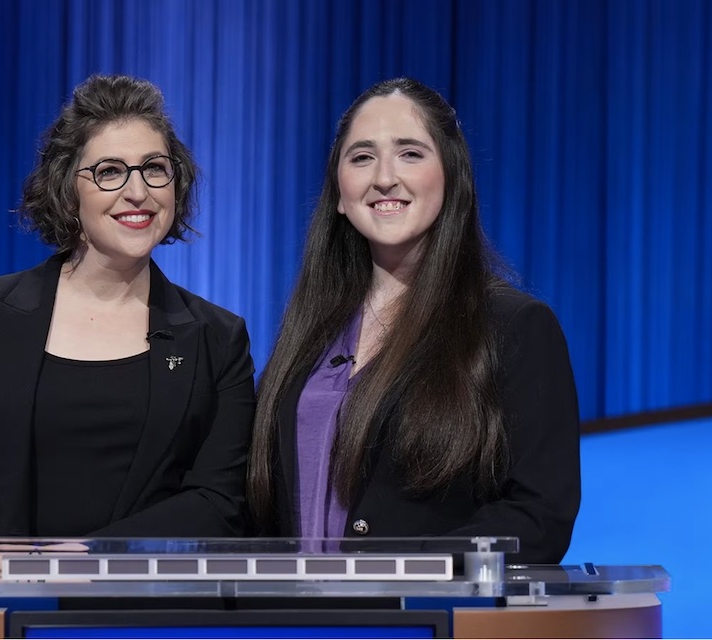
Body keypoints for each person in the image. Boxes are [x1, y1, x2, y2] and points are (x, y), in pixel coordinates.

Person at [0, 74, 255, 575]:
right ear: (69, 192)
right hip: (8, 606)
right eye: (110, 172)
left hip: (148, 609)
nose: (138, 191)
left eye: (156, 169)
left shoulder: (218, 338)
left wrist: (82, 557)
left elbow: (219, 501)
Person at [247, 78, 580, 564]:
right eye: (361, 157)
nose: (384, 177)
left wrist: (400, 573)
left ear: (451, 175)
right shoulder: (307, 334)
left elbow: (539, 515)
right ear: (339, 193)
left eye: (409, 153)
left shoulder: (514, 327)